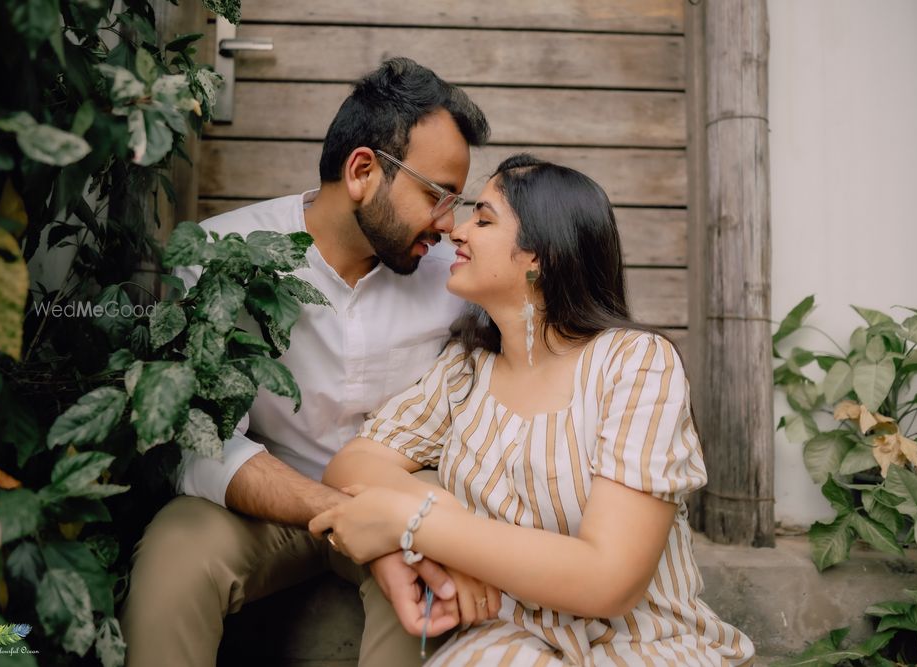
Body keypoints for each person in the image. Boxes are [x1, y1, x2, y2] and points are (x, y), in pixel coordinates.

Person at [119, 57, 498, 666]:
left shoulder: (450, 276)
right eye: (435, 195)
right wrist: (347, 514)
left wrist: (398, 520)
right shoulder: (221, 255)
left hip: (401, 492)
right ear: (362, 170)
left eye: (457, 201)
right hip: (265, 502)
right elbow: (200, 442)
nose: (448, 224)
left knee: (435, 575)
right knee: (172, 560)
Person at [310, 154, 756, 665]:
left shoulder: (634, 364)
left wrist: (420, 521)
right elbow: (351, 465)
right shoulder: (467, 370)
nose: (456, 231)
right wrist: (442, 516)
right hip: (508, 639)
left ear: (539, 255)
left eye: (483, 219)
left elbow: (608, 578)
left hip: (645, 643)